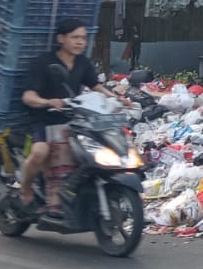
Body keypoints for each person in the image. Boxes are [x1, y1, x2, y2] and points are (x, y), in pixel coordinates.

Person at [17, 18, 129, 215]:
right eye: (75, 37)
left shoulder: (82, 63)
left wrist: (118, 99)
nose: (80, 42)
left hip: (73, 119)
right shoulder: (43, 62)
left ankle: (73, 192)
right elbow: (28, 96)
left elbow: (96, 86)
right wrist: (48, 102)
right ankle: (25, 189)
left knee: (91, 152)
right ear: (61, 38)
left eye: (83, 38)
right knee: (40, 152)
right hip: (43, 119)